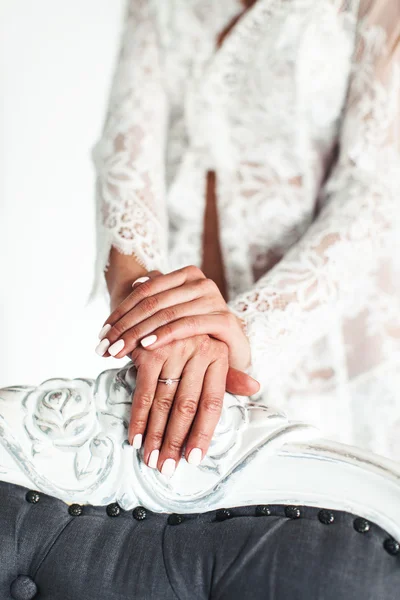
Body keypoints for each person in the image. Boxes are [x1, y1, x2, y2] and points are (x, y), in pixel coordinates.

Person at [90, 0, 400, 477]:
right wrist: (147, 310)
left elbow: (374, 192)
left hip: (324, 353)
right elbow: (127, 149)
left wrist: (249, 331)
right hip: (179, 355)